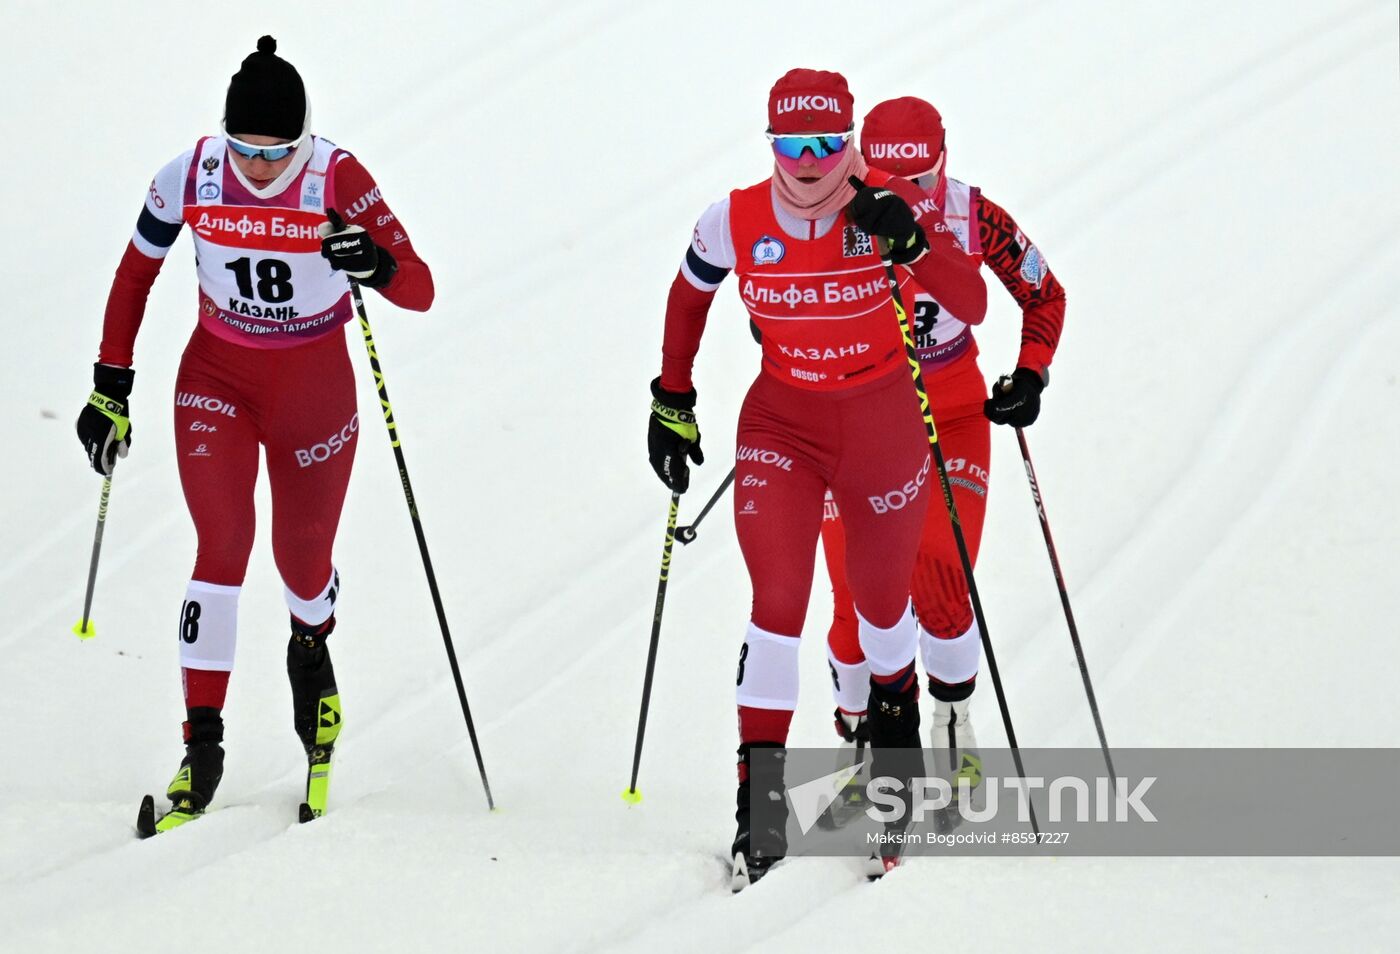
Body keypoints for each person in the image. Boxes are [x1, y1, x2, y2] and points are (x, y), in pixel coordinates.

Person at [74, 36, 434, 834]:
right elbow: (135, 273)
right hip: (218, 381)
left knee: (300, 565)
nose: (261, 168)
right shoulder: (191, 174)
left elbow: (421, 289)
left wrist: (370, 261)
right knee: (221, 547)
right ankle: (201, 745)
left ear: (306, 139)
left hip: (314, 390)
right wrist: (110, 382)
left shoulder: (337, 176)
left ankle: (312, 648)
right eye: (246, 150)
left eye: (279, 153)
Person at [646, 69, 987, 886]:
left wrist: (911, 243)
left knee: (881, 611)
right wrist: (672, 396)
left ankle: (894, 778)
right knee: (776, 608)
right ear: (770, 144)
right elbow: (687, 297)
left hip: (883, 423)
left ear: (850, 142)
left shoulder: (886, 203)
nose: (807, 163)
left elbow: (970, 298)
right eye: (790, 145)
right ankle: (757, 811)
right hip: (782, 427)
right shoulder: (733, 218)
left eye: (826, 145)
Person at [819, 96, 1066, 804]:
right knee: (851, 597)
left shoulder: (972, 214)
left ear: (943, 162)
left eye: (919, 181)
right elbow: (778, 297)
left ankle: (953, 721)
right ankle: (859, 737)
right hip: (859, 423)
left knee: (940, 577)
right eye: (889, 184)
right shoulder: (829, 215)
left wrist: (1031, 372)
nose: (908, 199)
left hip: (951, 415)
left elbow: (1044, 294)